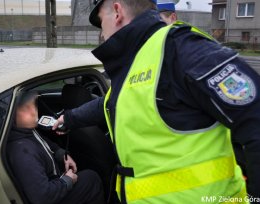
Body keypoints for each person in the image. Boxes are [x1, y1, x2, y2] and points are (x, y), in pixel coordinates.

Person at [53, 0, 260, 203]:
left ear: (117, 11)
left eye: (100, 22)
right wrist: (70, 118)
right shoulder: (137, 59)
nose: (101, 33)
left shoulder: (182, 49)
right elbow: (114, 102)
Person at [7, 92, 105, 204]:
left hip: (55, 182)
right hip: (50, 196)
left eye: (33, 106)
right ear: (12, 116)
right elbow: (42, 197)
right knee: (91, 179)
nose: (33, 112)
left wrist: (61, 154)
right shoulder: (22, 153)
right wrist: (67, 181)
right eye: (26, 109)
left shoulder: (26, 131)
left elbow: (44, 142)